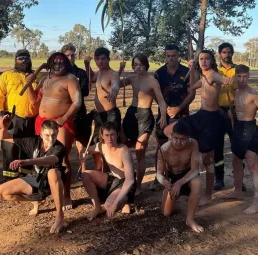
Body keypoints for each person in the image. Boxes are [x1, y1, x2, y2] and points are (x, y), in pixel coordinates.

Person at [164, 50, 234, 206]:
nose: (204, 61)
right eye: (201, 59)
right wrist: (193, 70)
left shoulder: (214, 75)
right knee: (169, 130)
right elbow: (191, 89)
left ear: (211, 61)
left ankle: (208, 195)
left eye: (206, 59)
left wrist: (227, 79)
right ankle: (191, 155)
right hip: (201, 115)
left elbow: (222, 79)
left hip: (212, 118)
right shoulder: (204, 77)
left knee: (208, 159)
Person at [219, 64, 258, 214]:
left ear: (248, 76)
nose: (242, 79)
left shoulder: (254, 94)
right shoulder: (236, 92)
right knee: (236, 161)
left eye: (245, 76)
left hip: (250, 129)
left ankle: (257, 201)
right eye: (239, 76)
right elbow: (233, 111)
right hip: (238, 130)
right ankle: (237, 190)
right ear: (235, 76)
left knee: (252, 164)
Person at [27, 52, 82, 210]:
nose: (58, 65)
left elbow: (77, 103)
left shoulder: (71, 79)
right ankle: (39, 196)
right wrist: (30, 84)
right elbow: (34, 101)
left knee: (61, 159)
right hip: (41, 122)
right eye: (55, 63)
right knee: (39, 157)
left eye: (61, 63)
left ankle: (66, 195)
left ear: (67, 64)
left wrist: (63, 119)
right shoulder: (45, 78)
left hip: (61, 123)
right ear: (50, 63)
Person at [0, 118, 67, 234]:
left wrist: (28, 161)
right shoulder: (33, 141)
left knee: (52, 173)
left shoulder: (59, 147)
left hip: (51, 181)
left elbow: (51, 160)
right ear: (41, 134)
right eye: (47, 135)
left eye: (54, 134)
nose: (51, 138)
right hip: (35, 178)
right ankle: (35, 201)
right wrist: (4, 127)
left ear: (57, 133)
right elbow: (3, 137)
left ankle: (60, 217)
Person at [119, 53, 167, 196]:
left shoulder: (152, 81)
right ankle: (124, 181)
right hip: (131, 113)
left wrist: (163, 116)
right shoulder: (132, 78)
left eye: (140, 64)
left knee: (140, 151)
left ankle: (138, 185)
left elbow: (161, 101)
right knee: (122, 145)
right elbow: (117, 83)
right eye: (135, 65)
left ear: (146, 65)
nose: (137, 67)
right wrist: (121, 70)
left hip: (145, 115)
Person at [150, 44, 195, 191]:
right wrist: (165, 108)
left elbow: (192, 93)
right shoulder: (158, 73)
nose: (171, 58)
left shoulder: (186, 72)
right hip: (164, 115)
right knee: (161, 147)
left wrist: (179, 108)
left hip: (182, 114)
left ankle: (184, 179)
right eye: (168, 56)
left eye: (174, 55)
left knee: (183, 145)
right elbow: (156, 94)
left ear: (178, 56)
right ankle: (160, 177)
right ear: (165, 56)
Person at [0, 49, 41, 180]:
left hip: (32, 119)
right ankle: (10, 179)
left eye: (26, 58)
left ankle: (26, 178)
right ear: (15, 60)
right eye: (20, 58)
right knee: (10, 149)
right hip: (13, 119)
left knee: (29, 150)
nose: (24, 60)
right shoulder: (6, 76)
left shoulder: (37, 76)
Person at [81, 122, 136, 221]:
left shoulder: (124, 151)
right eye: (107, 135)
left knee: (109, 206)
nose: (110, 139)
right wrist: (83, 154)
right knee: (85, 175)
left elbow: (130, 180)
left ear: (117, 134)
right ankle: (97, 207)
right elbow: (85, 150)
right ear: (102, 135)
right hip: (112, 179)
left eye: (112, 135)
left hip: (125, 183)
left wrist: (115, 204)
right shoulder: (101, 146)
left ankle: (123, 202)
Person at [156, 120, 203, 233]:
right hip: (172, 177)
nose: (178, 142)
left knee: (197, 183)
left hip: (187, 175)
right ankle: (167, 195)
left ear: (188, 138)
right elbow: (158, 173)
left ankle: (190, 219)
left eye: (183, 139)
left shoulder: (193, 143)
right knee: (166, 213)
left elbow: (195, 169)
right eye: (176, 138)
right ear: (171, 136)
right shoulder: (164, 150)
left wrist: (180, 183)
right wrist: (164, 182)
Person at [83, 47, 121, 171]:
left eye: (103, 58)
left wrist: (114, 92)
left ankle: (114, 168)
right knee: (96, 140)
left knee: (111, 142)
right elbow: (91, 77)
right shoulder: (99, 73)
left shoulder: (113, 74)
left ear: (108, 59)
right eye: (97, 59)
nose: (100, 61)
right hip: (98, 114)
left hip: (110, 114)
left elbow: (115, 85)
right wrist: (86, 64)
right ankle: (101, 168)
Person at [60, 44, 92, 172]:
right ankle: (64, 170)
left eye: (72, 55)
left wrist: (71, 88)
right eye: (67, 55)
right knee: (63, 145)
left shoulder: (81, 73)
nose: (70, 57)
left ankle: (83, 169)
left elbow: (85, 92)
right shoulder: (59, 73)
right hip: (63, 113)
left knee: (81, 144)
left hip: (79, 113)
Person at [214, 42, 241, 191]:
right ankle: (219, 179)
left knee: (236, 146)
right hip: (217, 111)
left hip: (233, 111)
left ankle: (239, 180)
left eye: (229, 52)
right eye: (224, 52)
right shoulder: (213, 70)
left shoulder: (238, 70)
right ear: (219, 54)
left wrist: (235, 109)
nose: (227, 54)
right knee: (217, 147)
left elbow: (241, 91)